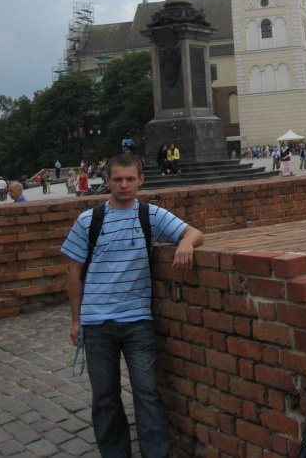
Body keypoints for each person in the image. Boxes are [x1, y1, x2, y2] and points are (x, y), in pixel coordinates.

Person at [61, 154, 204, 458]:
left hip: (138, 320)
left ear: (141, 180)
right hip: (97, 323)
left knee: (147, 393)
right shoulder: (89, 220)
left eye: (129, 179)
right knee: (105, 397)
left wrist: (185, 244)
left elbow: (193, 232)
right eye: (117, 179)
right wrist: (76, 320)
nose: (123, 185)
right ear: (108, 181)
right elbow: (74, 274)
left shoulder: (150, 215)